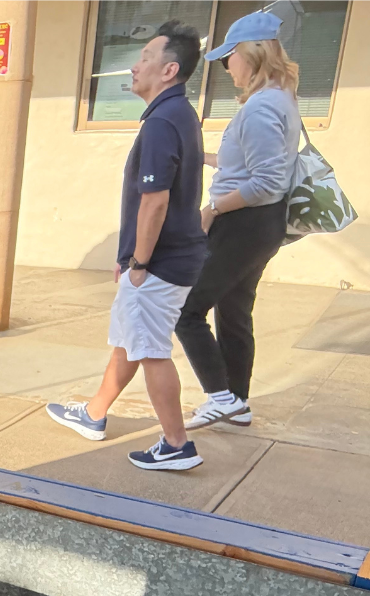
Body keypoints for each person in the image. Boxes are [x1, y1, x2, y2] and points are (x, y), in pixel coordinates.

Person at [46, 21, 207, 471]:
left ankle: (177, 445)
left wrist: (139, 262)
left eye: (145, 59)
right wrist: (130, 260)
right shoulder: (178, 113)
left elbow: (154, 202)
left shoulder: (161, 122)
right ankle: (95, 414)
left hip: (160, 261)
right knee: (130, 339)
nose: (134, 67)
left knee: (151, 349)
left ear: (169, 69)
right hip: (162, 258)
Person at [176, 11, 300, 430]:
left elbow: (266, 183)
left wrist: (211, 210)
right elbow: (247, 169)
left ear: (252, 54)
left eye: (230, 56)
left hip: (245, 224)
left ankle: (220, 396)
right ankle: (238, 403)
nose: (226, 66)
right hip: (258, 225)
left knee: (186, 311)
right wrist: (201, 159)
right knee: (233, 311)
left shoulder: (263, 107)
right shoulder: (277, 98)